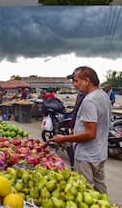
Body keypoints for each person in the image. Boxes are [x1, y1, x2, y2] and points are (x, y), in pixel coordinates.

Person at [50, 66, 111, 194]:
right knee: (100, 191)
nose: (74, 84)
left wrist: (64, 138)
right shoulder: (104, 96)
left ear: (87, 80)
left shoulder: (89, 100)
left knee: (84, 192)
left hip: (87, 156)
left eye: (76, 81)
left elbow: (90, 133)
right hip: (99, 153)